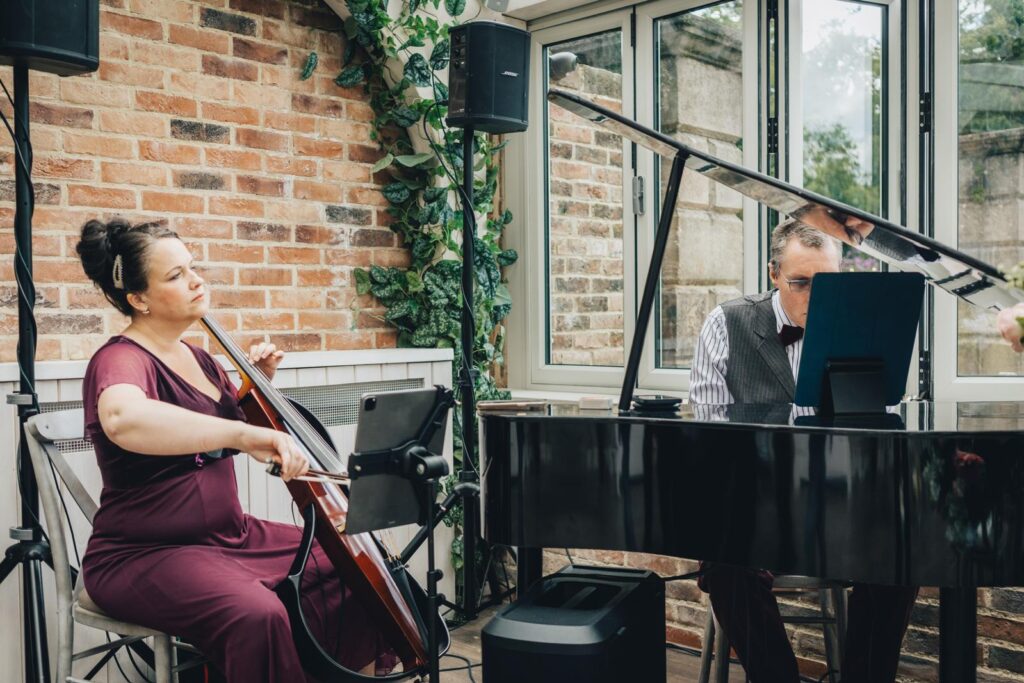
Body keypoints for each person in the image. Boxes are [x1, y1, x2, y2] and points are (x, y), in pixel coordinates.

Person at [75, 218, 398, 682]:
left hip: (230, 537)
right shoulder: (120, 358)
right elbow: (124, 419)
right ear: (138, 299)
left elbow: (224, 426)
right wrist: (245, 437)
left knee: (353, 561)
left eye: (192, 267)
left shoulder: (199, 357)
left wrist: (258, 386)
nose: (196, 280)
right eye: (175, 275)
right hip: (145, 553)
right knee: (256, 614)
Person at [689, 217, 918, 683]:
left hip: (837, 509)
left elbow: (879, 427)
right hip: (754, 511)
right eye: (800, 283)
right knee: (723, 559)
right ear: (773, 274)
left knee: (902, 557)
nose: (814, 298)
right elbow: (709, 443)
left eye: (827, 284)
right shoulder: (726, 325)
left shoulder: (863, 328)